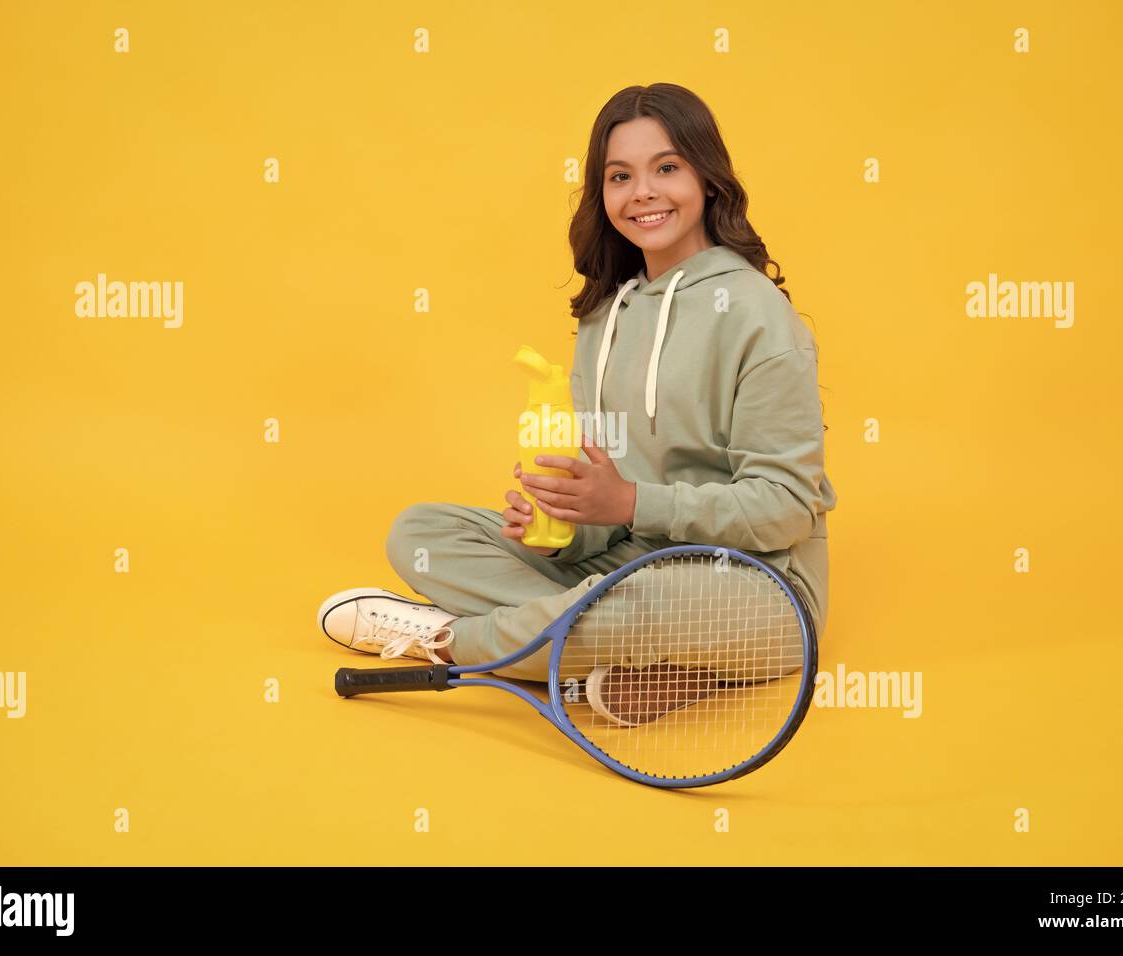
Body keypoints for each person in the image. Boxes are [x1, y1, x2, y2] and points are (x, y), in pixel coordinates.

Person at [317, 83, 837, 725]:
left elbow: (785, 510)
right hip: (630, 564)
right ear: (603, 194)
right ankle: (615, 655)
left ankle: (449, 640)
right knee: (421, 532)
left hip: (752, 585)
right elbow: (611, 505)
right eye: (620, 176)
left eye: (666, 168)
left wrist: (631, 503)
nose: (643, 192)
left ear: (707, 178)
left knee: (652, 606)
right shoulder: (603, 316)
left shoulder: (758, 314)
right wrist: (560, 534)